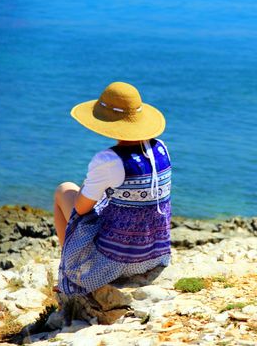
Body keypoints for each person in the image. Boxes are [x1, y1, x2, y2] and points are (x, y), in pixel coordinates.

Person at [54, 82, 172, 295]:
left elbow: (80, 209)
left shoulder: (109, 159)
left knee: (64, 190)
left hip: (116, 263)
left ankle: (73, 270)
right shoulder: (161, 148)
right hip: (156, 255)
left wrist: (89, 182)